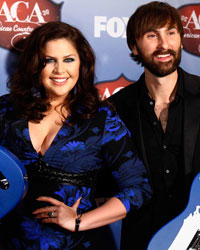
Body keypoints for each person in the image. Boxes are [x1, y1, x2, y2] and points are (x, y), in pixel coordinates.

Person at [0, 21, 151, 250]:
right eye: (49, 60)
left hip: (78, 245)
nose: (60, 70)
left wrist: (80, 221)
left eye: (68, 59)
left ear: (82, 64)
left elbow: (139, 188)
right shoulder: (6, 111)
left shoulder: (101, 119)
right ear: (34, 65)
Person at [109, 1, 200, 250]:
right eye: (152, 35)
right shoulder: (115, 109)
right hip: (141, 240)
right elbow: (104, 185)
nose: (164, 45)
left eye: (171, 33)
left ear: (181, 40)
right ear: (134, 46)